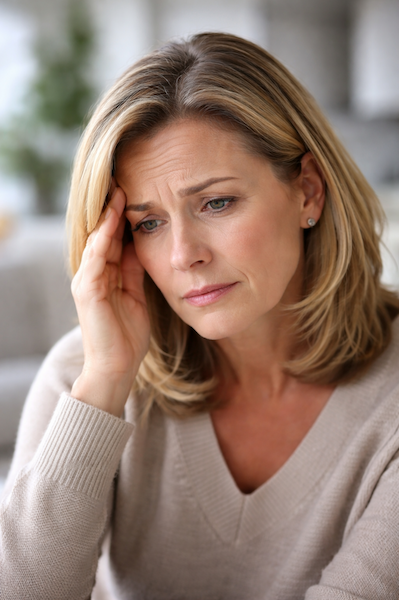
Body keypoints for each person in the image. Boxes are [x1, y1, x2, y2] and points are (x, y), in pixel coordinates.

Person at [1, 31, 399, 600]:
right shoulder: (83, 377)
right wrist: (106, 383)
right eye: (149, 223)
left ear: (308, 191)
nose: (185, 255)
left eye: (216, 202)